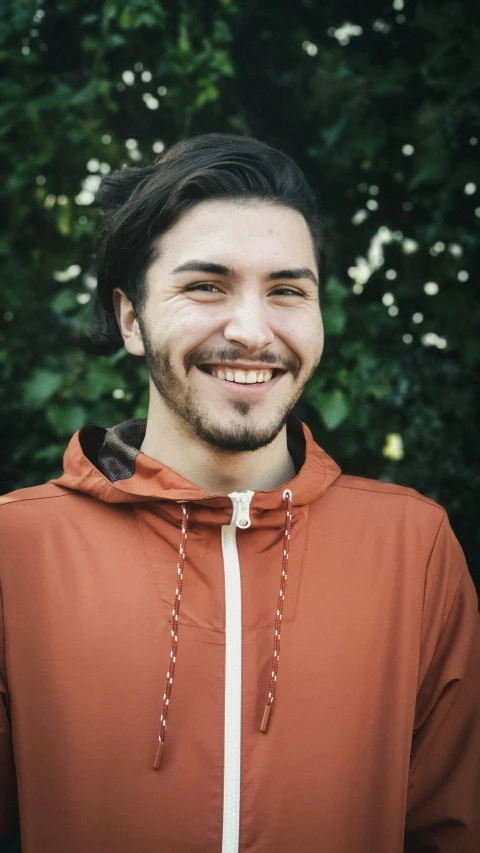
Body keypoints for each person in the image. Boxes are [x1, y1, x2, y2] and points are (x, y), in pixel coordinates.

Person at [0, 133, 479, 853]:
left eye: (287, 290)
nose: (253, 330)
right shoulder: (16, 552)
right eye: (206, 286)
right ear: (131, 319)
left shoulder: (415, 548)